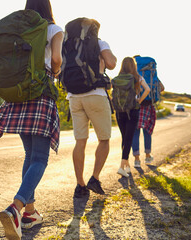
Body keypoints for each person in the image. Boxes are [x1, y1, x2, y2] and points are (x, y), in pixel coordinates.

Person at [0, 0, 63, 239]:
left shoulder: (20, 28)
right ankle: (15, 209)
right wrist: (55, 72)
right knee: (40, 158)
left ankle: (30, 212)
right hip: (40, 93)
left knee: (30, 155)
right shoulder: (53, 29)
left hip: (18, 94)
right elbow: (56, 60)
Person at [67, 31, 117, 197]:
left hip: (74, 96)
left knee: (80, 142)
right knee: (104, 139)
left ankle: (80, 185)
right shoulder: (99, 43)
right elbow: (111, 63)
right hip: (96, 95)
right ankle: (94, 179)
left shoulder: (69, 44)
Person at [114, 57, 150, 178]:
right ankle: (121, 166)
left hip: (119, 111)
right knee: (129, 138)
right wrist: (139, 100)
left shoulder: (118, 78)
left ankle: (127, 166)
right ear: (133, 66)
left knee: (124, 138)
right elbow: (148, 89)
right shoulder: (137, 78)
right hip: (132, 110)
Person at [132, 79, 165, 168]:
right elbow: (162, 88)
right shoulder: (152, 75)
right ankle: (147, 156)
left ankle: (137, 160)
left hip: (136, 106)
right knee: (147, 132)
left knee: (135, 133)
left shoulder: (136, 75)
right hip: (148, 107)